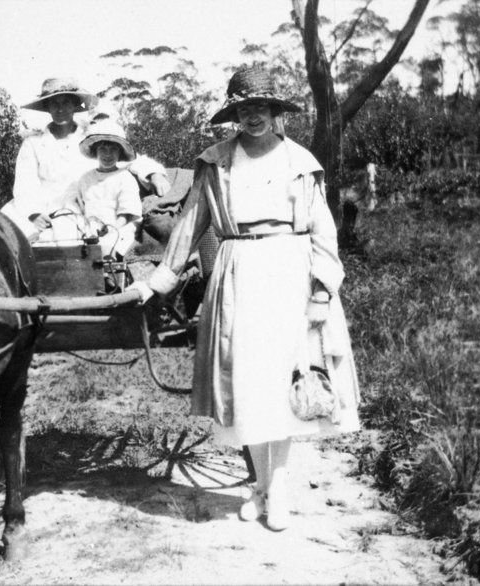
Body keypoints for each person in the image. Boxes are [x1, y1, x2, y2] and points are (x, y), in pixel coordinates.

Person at [129, 66, 361, 532]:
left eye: (262, 108)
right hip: (238, 278)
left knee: (287, 385)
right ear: (234, 115)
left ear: (276, 113)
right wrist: (157, 281)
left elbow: (322, 233)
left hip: (292, 277)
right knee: (250, 390)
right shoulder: (215, 163)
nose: (253, 117)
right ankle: (258, 488)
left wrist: (321, 291)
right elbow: (190, 227)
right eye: (244, 109)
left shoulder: (300, 162)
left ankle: (276, 490)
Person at [4, 77, 171, 243]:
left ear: (75, 106)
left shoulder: (91, 137)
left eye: (66, 103)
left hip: (85, 208)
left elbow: (127, 159)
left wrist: (154, 174)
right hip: (44, 210)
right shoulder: (33, 143)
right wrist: (34, 214)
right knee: (9, 240)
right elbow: (25, 185)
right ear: (47, 107)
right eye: (55, 103)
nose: (60, 109)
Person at [64, 118, 142, 257]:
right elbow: (81, 209)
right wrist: (87, 230)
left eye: (113, 149)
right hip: (91, 229)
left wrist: (112, 229)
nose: (108, 154)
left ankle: (110, 276)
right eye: (103, 149)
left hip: (119, 227)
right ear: (95, 151)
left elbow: (126, 213)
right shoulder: (86, 179)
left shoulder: (124, 177)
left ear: (120, 153)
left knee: (108, 247)